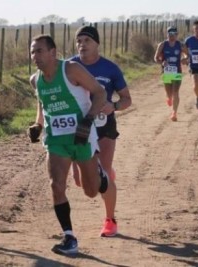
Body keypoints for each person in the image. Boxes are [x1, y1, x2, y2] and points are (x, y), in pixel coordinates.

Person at [28, 34, 110, 255]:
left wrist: (88, 120)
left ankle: (100, 174)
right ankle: (70, 237)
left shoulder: (71, 70)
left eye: (40, 51)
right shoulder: (35, 80)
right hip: (56, 140)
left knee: (91, 191)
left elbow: (100, 93)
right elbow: (42, 103)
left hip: (82, 136)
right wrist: (38, 124)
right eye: (33, 51)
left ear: (53, 52)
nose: (35, 56)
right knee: (56, 185)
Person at [69, 25, 132, 237]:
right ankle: (104, 173)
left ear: (97, 43)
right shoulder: (69, 67)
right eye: (79, 41)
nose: (82, 45)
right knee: (83, 182)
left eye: (87, 41)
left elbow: (127, 99)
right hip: (80, 128)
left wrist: (113, 106)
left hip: (104, 126)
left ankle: (110, 220)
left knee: (103, 175)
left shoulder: (110, 68)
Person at [154, 26, 187, 121]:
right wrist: (162, 62)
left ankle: (174, 113)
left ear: (177, 35)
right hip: (166, 72)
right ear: (167, 34)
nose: (172, 36)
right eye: (170, 34)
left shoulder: (180, 45)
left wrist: (184, 58)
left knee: (176, 92)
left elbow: (188, 54)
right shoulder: (162, 45)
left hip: (177, 71)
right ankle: (169, 98)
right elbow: (155, 58)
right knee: (169, 93)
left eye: (174, 34)